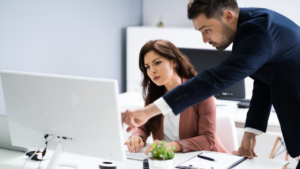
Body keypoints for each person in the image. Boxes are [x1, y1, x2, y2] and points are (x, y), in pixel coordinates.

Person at [122, 0, 300, 168]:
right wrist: (250, 133)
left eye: (206, 30)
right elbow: (265, 81)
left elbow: (214, 80)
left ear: (228, 16)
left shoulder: (258, 32)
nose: (204, 40)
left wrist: (148, 111)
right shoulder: (251, 26)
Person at [124, 39, 229, 154]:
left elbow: (208, 139)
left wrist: (173, 145)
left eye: (157, 63)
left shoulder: (201, 91)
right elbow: (143, 126)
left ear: (174, 62)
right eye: (147, 66)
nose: (152, 70)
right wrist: (137, 136)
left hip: (206, 160)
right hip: (170, 160)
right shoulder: (154, 93)